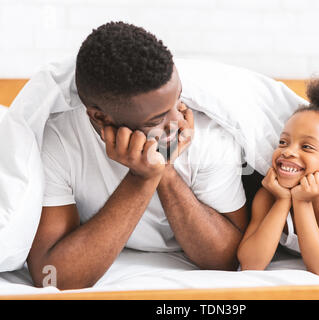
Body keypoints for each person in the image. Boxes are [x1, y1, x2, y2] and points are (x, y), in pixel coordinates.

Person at [27, 22, 248, 289]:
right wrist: (142, 178)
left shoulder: (210, 131)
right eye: (157, 118)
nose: (178, 121)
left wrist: (164, 169)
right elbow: (52, 276)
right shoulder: (58, 139)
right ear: (100, 117)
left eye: (177, 99)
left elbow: (229, 260)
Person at [237, 66, 319, 275]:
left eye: (307, 146)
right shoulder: (269, 194)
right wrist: (283, 201)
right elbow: (250, 264)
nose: (287, 152)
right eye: (283, 141)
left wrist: (302, 201)